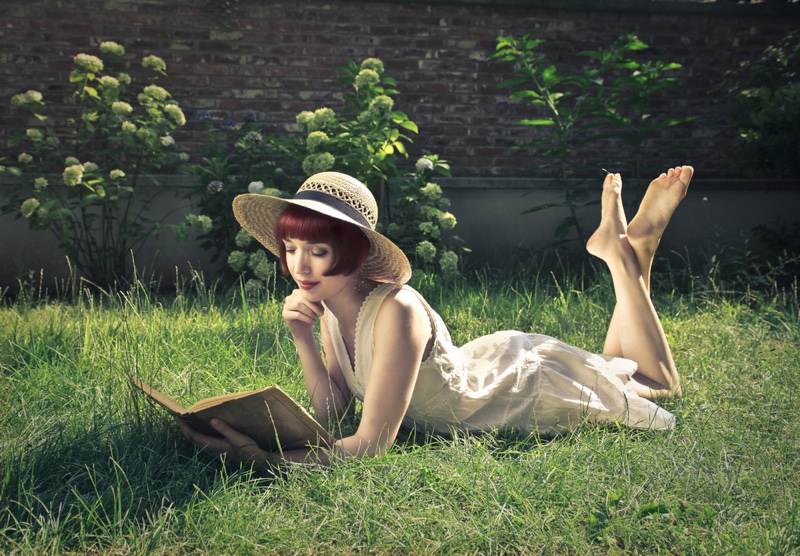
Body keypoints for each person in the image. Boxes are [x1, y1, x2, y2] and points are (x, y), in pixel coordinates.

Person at [178, 167, 692, 467]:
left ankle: (624, 260)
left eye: (316, 250)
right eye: (290, 248)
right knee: (613, 363)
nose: (298, 266)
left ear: (355, 253)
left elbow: (370, 445)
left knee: (656, 387)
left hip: (511, 394)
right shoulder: (330, 308)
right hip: (480, 369)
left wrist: (265, 461)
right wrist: (303, 339)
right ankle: (635, 257)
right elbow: (334, 412)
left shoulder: (396, 309)